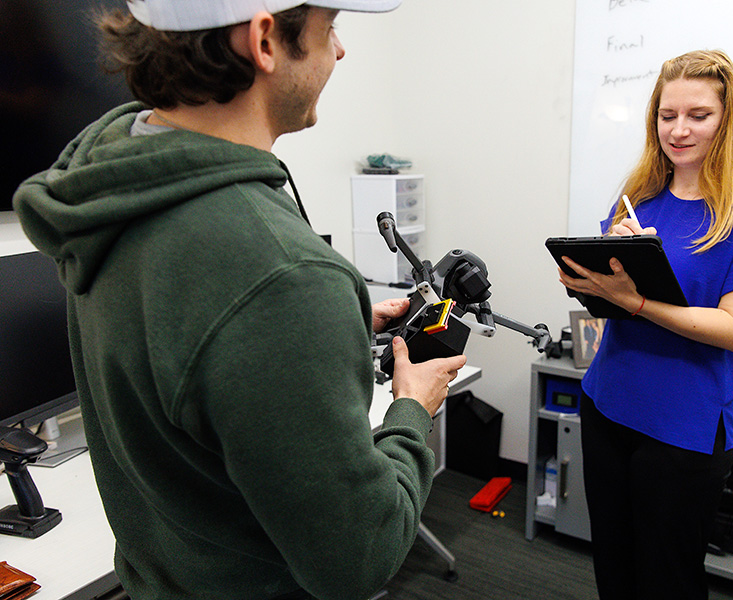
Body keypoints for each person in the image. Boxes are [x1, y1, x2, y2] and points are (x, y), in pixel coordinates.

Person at [13, 1, 466, 599]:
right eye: (329, 29)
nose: (340, 50)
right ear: (264, 42)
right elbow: (358, 558)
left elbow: (190, 359)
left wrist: (331, 330)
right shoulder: (283, 275)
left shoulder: (108, 191)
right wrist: (413, 408)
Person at [557, 50, 733, 600]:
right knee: (613, 565)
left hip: (682, 427)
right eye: (667, 115)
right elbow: (609, 298)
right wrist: (586, 282)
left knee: (667, 577)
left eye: (698, 115)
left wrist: (636, 302)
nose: (678, 129)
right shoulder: (637, 199)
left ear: (727, 121)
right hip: (609, 402)